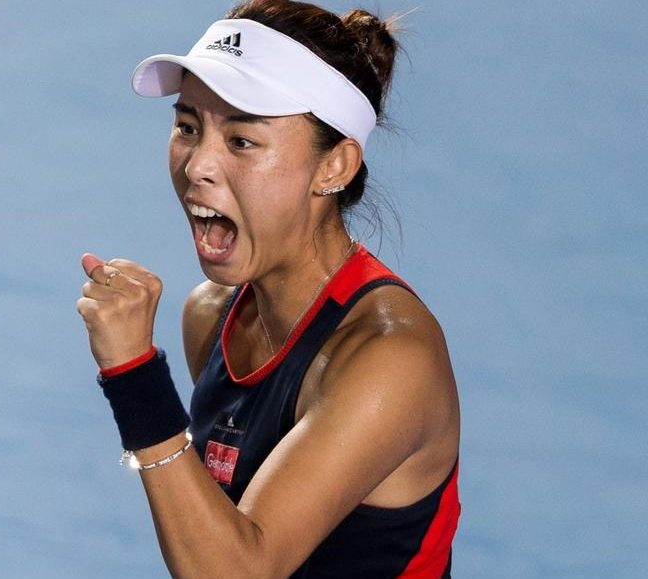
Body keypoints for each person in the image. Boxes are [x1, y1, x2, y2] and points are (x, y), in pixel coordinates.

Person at [76, 1, 460, 577]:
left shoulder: (391, 358)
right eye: (187, 128)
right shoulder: (210, 316)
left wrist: (135, 377)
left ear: (334, 168)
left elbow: (237, 571)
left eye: (242, 141)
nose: (196, 166)